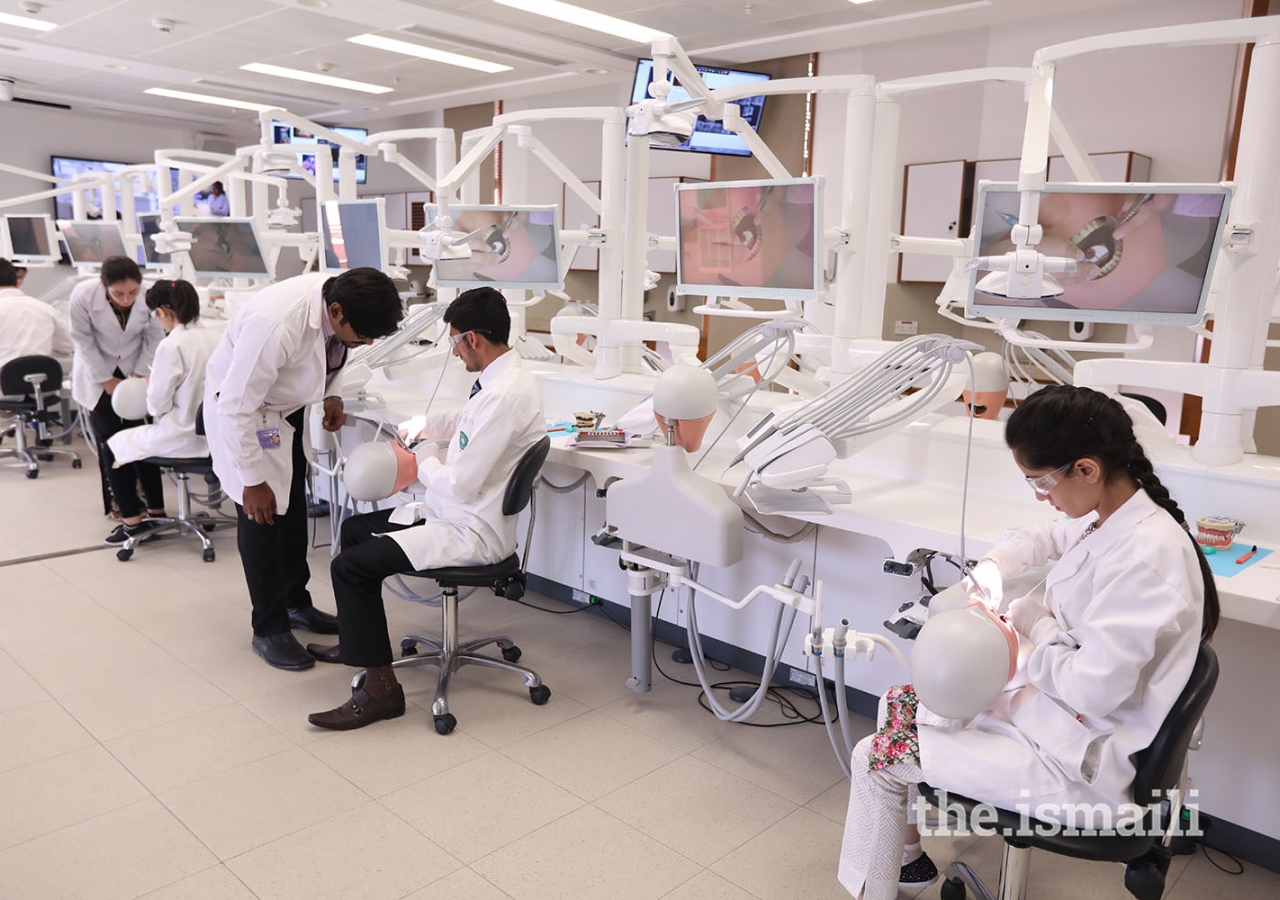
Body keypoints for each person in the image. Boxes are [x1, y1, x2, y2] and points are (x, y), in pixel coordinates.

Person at [838, 384, 1219, 899]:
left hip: (1081, 765)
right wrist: (996, 566)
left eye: (1042, 482)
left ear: (1086, 469)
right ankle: (906, 865)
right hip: (1050, 717)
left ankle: (870, 892)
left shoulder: (1147, 559)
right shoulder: (1114, 517)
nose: (1042, 495)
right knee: (899, 702)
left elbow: (1092, 691)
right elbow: (1041, 536)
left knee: (875, 758)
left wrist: (1033, 628)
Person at [306, 287, 546, 731]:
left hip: (471, 530)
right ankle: (358, 645)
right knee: (358, 530)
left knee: (349, 567)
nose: (455, 353)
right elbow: (467, 423)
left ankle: (382, 691)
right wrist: (426, 426)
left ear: (472, 338)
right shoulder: (504, 381)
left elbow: (463, 482)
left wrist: (424, 461)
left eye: (454, 342)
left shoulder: (504, 396)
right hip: (457, 512)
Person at [204, 269, 403, 671]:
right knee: (262, 518)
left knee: (293, 510)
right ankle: (268, 627)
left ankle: (296, 603)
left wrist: (332, 396)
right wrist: (252, 480)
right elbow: (236, 405)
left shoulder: (343, 298)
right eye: (363, 334)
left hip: (285, 412)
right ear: (335, 310)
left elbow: (333, 351)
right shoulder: (276, 323)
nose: (365, 343)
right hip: (248, 415)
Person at [102, 280, 220, 545]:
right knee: (139, 442)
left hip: (183, 436)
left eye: (156, 315)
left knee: (113, 446)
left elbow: (156, 404)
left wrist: (152, 388)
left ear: (163, 313)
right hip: (216, 438)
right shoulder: (217, 336)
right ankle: (155, 512)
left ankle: (132, 522)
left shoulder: (171, 345)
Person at [69, 256, 165, 517]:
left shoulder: (147, 295)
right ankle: (125, 509)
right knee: (111, 441)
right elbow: (81, 338)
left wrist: (139, 374)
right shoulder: (84, 295)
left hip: (136, 369)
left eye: (132, 292)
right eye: (119, 293)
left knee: (142, 437)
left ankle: (154, 505)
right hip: (97, 372)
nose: (127, 299)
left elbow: (155, 335)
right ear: (104, 285)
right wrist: (105, 378)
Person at [0, 258, 73, 382]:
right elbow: (68, 345)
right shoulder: (45, 308)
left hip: (4, 389)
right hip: (42, 387)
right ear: (18, 282)